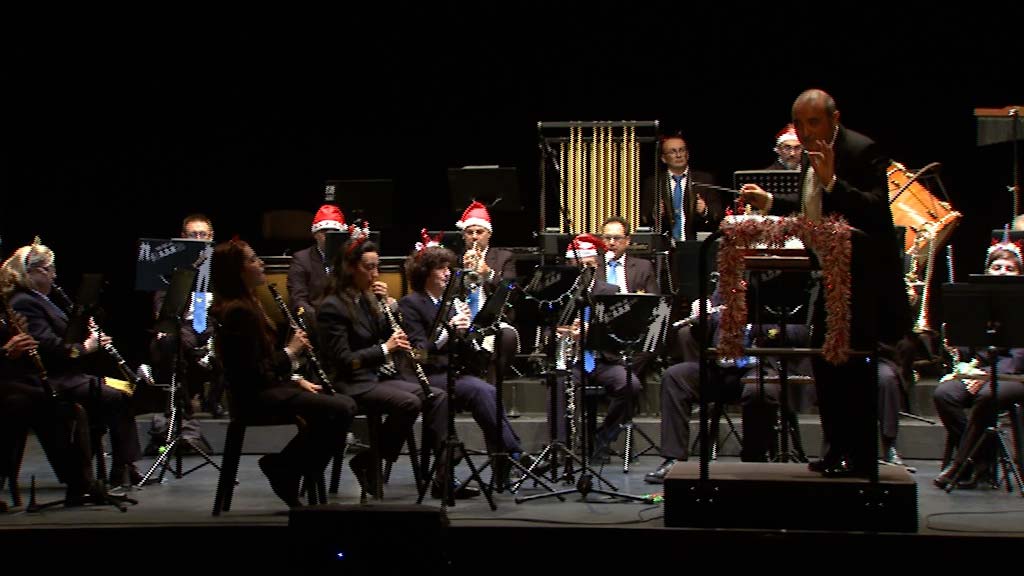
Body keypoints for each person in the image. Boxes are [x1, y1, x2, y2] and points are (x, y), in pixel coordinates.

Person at [740, 89, 912, 477]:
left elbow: (873, 209)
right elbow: (811, 211)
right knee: (827, 368)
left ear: (835, 118)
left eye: (812, 122)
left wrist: (833, 180)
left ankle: (863, 459)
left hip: (862, 282)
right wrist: (769, 202)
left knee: (854, 370)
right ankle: (835, 452)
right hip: (827, 277)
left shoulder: (861, 150)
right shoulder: (810, 153)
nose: (803, 131)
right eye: (798, 124)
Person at [317, 238, 478, 499]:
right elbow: (344, 360)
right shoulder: (332, 306)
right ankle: (370, 459)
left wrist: (385, 308)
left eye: (377, 267)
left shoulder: (365, 301)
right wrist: (384, 349)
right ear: (350, 268)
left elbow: (386, 333)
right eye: (369, 268)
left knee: (437, 397)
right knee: (408, 402)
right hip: (349, 381)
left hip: (374, 377)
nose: (375, 274)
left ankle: (444, 473)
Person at [210, 239, 355, 507]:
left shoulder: (246, 304)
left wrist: (296, 381)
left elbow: (259, 365)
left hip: (264, 389)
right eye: (253, 259)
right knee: (340, 408)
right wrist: (291, 351)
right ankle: (287, 469)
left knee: (337, 405)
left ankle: (288, 468)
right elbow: (253, 372)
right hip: (253, 398)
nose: (261, 263)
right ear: (237, 270)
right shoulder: (239, 312)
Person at [1, 241, 143, 485]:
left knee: (126, 388)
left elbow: (63, 337)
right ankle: (119, 469)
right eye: (51, 268)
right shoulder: (25, 302)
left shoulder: (41, 299)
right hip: (52, 379)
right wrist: (86, 347)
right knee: (117, 396)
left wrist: (87, 335)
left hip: (67, 375)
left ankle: (123, 466)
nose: (55, 274)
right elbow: (50, 347)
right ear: (35, 272)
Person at [398, 239, 532, 481]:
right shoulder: (411, 304)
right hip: (423, 376)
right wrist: (446, 333)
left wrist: (468, 333)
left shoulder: (450, 305)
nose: (448, 273)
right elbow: (417, 354)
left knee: (486, 391)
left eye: (449, 268)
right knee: (482, 391)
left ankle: (505, 458)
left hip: (450, 372)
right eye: (441, 268)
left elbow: (461, 349)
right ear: (425, 273)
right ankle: (513, 453)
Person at [933, 240, 1024, 488]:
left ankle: (960, 465)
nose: (1002, 272)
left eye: (1009, 268)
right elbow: (969, 345)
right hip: (980, 371)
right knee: (945, 394)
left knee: (986, 396)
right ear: (987, 271)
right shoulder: (977, 300)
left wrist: (983, 375)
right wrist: (957, 345)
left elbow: (1017, 359)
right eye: (997, 267)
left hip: (1014, 376)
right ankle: (978, 459)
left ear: (1019, 273)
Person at [554, 234, 644, 463]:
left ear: (597, 264)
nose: (584, 271)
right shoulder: (559, 292)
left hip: (603, 358)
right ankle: (562, 446)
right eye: (578, 266)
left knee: (630, 385)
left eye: (589, 266)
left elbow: (620, 334)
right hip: (572, 359)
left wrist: (590, 331)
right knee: (558, 383)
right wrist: (563, 333)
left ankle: (603, 438)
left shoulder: (610, 292)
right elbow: (547, 330)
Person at [455, 201, 518, 385]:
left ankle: (492, 388)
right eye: (469, 232)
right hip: (464, 318)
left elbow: (511, 291)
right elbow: (451, 295)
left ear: (489, 234)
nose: (474, 237)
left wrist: (488, 274)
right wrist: (463, 276)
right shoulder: (456, 259)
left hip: (494, 318)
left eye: (479, 232)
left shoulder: (504, 257)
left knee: (506, 336)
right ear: (464, 236)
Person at [639, 133, 723, 241]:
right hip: (665, 243)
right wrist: (655, 214)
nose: (678, 155)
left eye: (681, 150)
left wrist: (705, 210)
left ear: (687, 154)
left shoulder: (704, 180)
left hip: (695, 244)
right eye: (673, 151)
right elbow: (644, 217)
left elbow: (718, 214)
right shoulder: (653, 183)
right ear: (663, 158)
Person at [287, 204, 347, 324]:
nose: (329, 236)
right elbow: (298, 300)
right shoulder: (301, 259)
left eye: (334, 232)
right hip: (316, 323)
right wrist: (321, 323)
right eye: (324, 232)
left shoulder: (349, 258)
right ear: (315, 234)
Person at [595, 216, 658, 295]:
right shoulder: (592, 265)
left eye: (617, 238)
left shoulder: (643, 267)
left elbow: (654, 300)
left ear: (627, 241)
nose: (611, 243)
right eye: (607, 238)